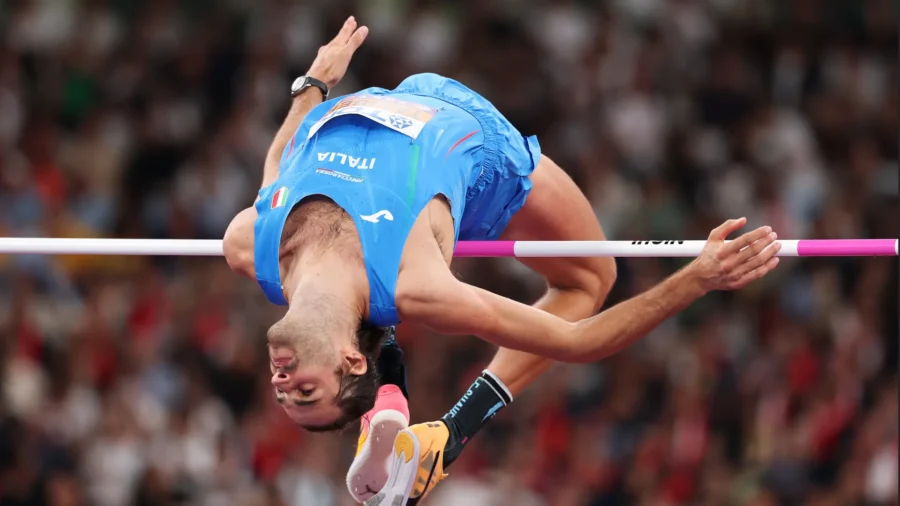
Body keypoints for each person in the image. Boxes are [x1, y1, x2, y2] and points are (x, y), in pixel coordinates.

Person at [223, 17, 782, 505]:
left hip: (385, 100)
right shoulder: (417, 285)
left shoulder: (251, 245)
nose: (281, 384)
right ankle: (449, 434)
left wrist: (314, 83)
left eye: (285, 396)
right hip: (475, 144)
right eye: (305, 394)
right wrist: (698, 278)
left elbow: (279, 159)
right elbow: (580, 342)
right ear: (349, 361)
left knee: (366, 288)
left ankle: (390, 399)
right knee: (591, 278)